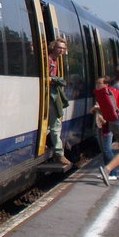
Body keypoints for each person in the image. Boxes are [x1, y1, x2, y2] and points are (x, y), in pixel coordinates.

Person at [46, 37, 70, 167]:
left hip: (53, 95)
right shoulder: (50, 61)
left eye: (63, 48)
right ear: (53, 47)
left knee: (55, 124)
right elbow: (46, 78)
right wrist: (55, 80)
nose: (61, 50)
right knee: (56, 124)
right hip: (50, 96)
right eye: (59, 47)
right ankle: (59, 154)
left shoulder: (55, 61)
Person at [92, 75, 115, 163]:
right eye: (97, 83)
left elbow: (112, 108)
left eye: (100, 83)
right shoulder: (100, 94)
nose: (97, 85)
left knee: (107, 149)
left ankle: (113, 171)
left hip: (107, 125)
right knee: (103, 149)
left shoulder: (109, 94)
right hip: (100, 124)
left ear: (107, 84)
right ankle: (107, 170)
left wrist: (97, 108)